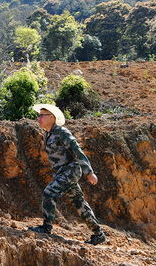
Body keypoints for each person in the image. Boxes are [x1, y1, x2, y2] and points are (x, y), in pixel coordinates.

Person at [28, 104, 106, 245]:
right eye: (38, 115)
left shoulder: (62, 132)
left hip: (70, 170)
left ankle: (46, 227)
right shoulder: (48, 134)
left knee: (49, 192)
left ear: (51, 117)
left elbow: (77, 151)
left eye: (42, 115)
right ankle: (98, 234)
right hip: (63, 172)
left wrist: (89, 172)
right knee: (79, 203)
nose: (39, 118)